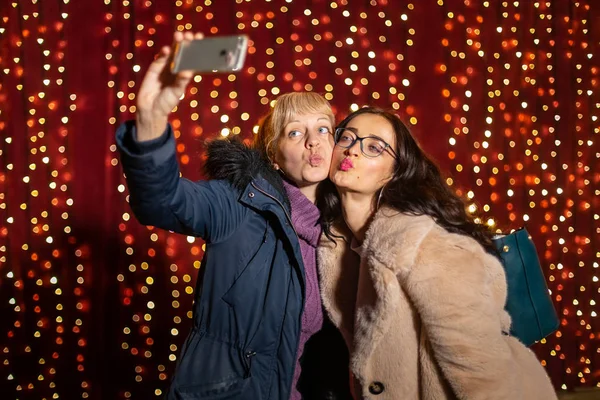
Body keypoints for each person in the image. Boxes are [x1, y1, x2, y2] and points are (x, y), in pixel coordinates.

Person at [115, 31, 339, 399]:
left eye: (323, 129)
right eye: (295, 132)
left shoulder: (347, 230)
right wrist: (151, 119)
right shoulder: (240, 202)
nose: (313, 142)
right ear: (273, 153)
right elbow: (162, 200)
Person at [317, 107, 558, 399]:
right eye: (347, 138)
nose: (353, 151)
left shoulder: (426, 246)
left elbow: (482, 372)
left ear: (395, 172)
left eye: (374, 147)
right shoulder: (336, 245)